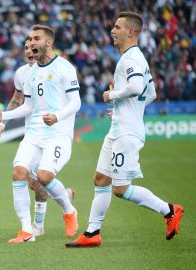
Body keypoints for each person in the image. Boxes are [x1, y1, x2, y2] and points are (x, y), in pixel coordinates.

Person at [66, 11, 184, 248]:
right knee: (101, 179)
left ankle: (170, 210)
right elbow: (150, 94)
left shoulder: (131, 58)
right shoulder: (134, 57)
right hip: (119, 127)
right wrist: (124, 109)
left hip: (126, 132)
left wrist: (112, 96)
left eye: (118, 27)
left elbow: (136, 86)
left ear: (130, 32)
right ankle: (92, 233)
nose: (113, 31)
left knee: (120, 188)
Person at [0, 24, 81, 243]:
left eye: (36, 39)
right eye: (29, 39)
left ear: (48, 43)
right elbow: (28, 107)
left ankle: (69, 211)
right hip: (33, 134)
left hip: (58, 134)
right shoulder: (28, 73)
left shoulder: (64, 68)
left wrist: (58, 116)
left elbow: (76, 102)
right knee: (18, 173)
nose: (30, 42)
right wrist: (4, 116)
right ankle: (27, 231)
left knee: (44, 177)